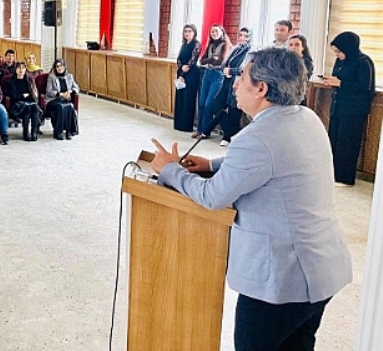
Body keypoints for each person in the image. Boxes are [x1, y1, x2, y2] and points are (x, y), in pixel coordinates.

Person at [150, 48, 352, 351]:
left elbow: (212, 196)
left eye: (242, 77)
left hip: (283, 281)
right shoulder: (306, 118)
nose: (234, 83)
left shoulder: (256, 138)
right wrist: (212, 165)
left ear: (261, 88)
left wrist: (168, 170)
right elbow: (273, 160)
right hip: (322, 269)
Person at [323, 31, 376, 187]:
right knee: (335, 140)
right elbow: (337, 77)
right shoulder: (340, 61)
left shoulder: (363, 62)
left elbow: (364, 87)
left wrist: (341, 84)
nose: (337, 54)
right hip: (339, 106)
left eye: (339, 51)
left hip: (354, 110)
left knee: (348, 143)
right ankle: (333, 174)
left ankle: (345, 177)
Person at [217, 28, 253, 146]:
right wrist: (225, 69)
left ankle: (227, 137)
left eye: (245, 36)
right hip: (226, 82)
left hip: (238, 84)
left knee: (234, 112)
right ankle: (235, 133)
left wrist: (231, 70)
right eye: (240, 35)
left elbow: (245, 70)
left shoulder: (251, 51)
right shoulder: (236, 48)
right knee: (214, 106)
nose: (242, 38)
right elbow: (224, 64)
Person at [195, 24, 230, 138]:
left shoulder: (225, 45)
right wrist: (211, 59)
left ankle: (206, 131)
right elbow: (201, 61)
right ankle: (199, 130)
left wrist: (210, 60)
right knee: (201, 103)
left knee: (208, 104)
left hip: (217, 75)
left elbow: (220, 61)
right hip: (207, 74)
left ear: (222, 32)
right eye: (212, 32)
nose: (214, 34)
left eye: (216, 31)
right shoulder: (210, 45)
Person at [174, 24, 201, 132]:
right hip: (181, 73)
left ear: (194, 33)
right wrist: (181, 73)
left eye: (189, 31)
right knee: (180, 98)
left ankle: (186, 125)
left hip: (191, 74)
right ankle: (178, 124)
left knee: (188, 99)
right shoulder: (183, 45)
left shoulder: (196, 44)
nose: (187, 33)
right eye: (185, 31)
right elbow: (179, 59)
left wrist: (185, 70)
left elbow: (193, 59)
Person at [45, 59, 80, 140]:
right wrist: (60, 94)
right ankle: (58, 132)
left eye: (61, 66)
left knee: (70, 106)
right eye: (57, 66)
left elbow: (76, 87)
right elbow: (48, 91)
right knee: (60, 107)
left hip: (65, 100)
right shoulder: (51, 77)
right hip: (53, 100)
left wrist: (70, 91)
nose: (59, 68)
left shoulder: (69, 76)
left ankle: (69, 131)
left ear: (64, 67)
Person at [7, 62, 42, 141]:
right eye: (19, 68)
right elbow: (13, 97)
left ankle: (34, 132)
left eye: (23, 68)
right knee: (27, 108)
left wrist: (32, 96)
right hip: (17, 105)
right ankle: (26, 132)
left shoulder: (29, 81)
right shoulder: (11, 82)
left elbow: (34, 95)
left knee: (35, 107)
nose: (21, 70)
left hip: (29, 103)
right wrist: (22, 96)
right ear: (15, 70)